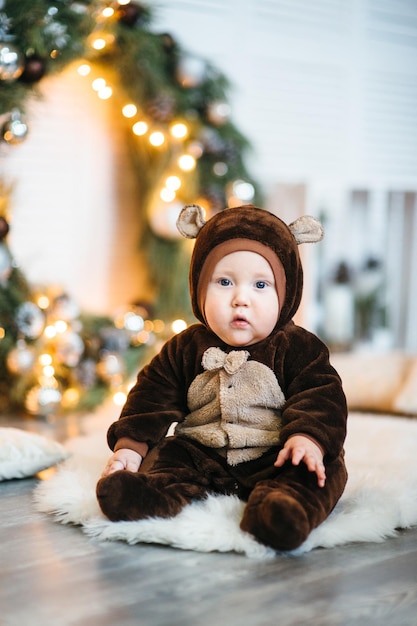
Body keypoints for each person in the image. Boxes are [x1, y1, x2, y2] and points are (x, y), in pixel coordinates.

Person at [96, 204, 348, 551]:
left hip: (275, 453)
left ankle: (284, 508)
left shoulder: (298, 347)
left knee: (321, 469)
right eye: (224, 282)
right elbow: (150, 396)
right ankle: (149, 495)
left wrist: (308, 438)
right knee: (169, 457)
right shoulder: (185, 347)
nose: (240, 299)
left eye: (261, 284)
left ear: (286, 294)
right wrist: (130, 448)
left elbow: (321, 396)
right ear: (199, 288)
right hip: (203, 453)